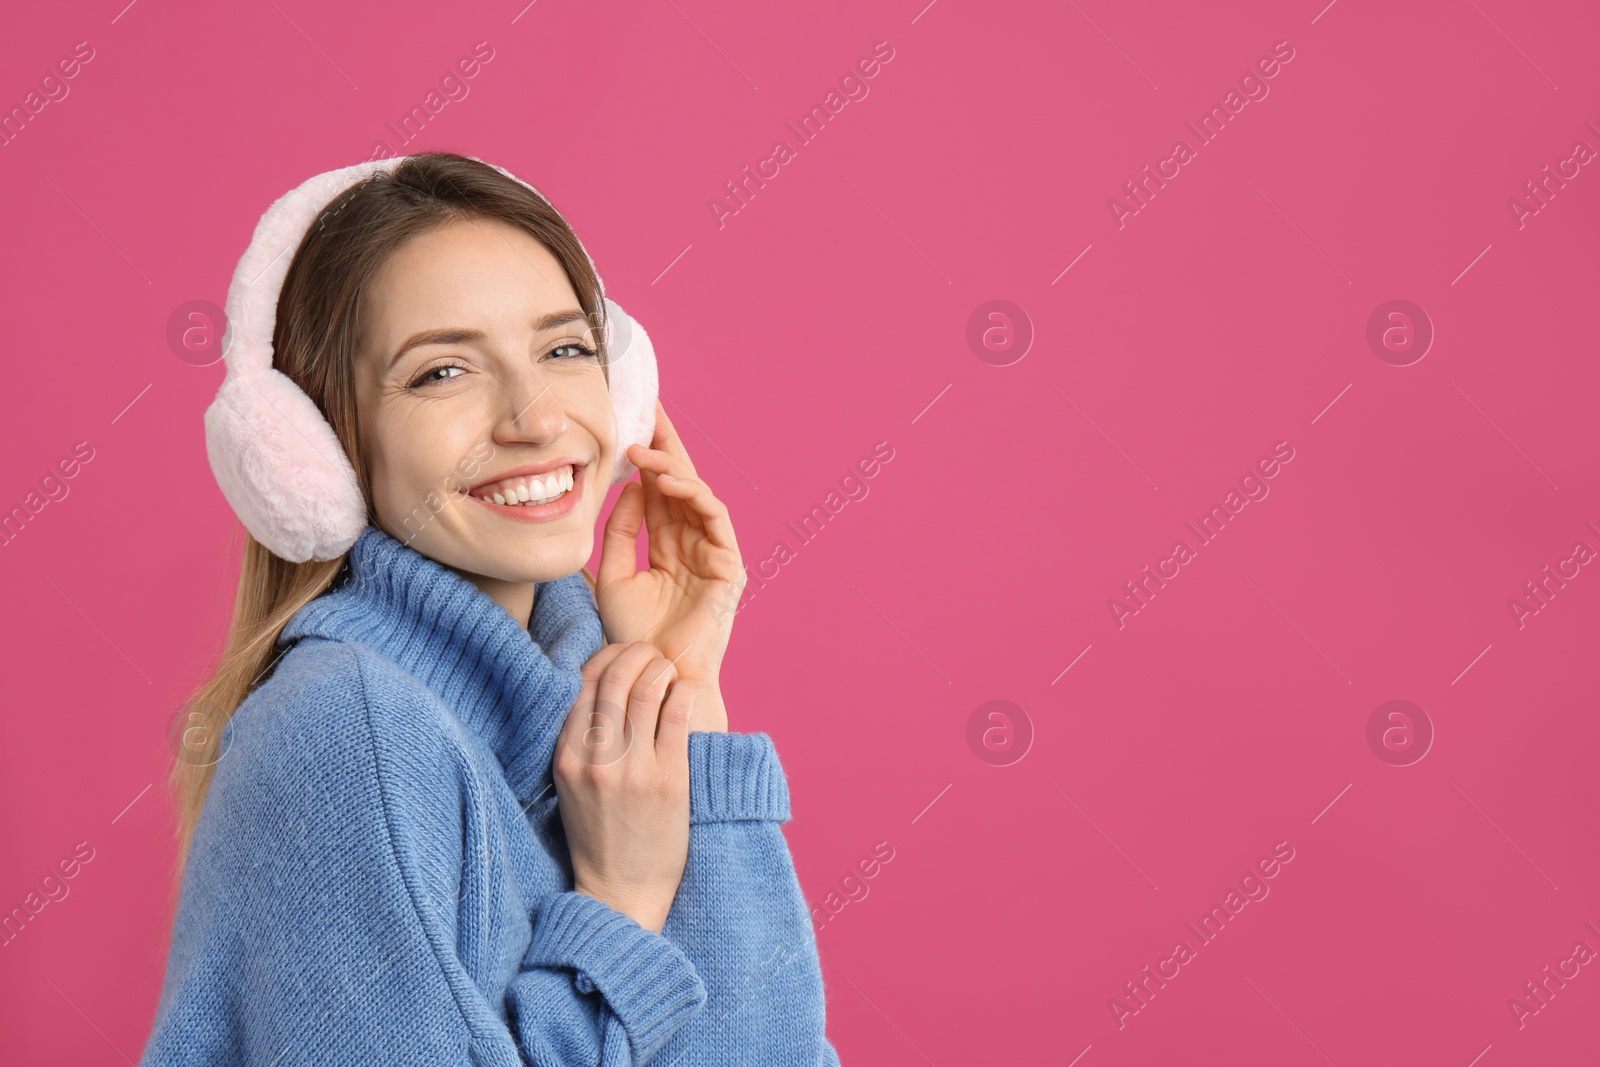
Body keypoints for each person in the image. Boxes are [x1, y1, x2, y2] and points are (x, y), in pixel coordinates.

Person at [140, 150, 839, 1066]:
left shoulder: (581, 702)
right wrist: (620, 901)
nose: (537, 417)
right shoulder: (347, 731)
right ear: (317, 450)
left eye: (563, 349)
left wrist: (681, 696)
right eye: (442, 373)